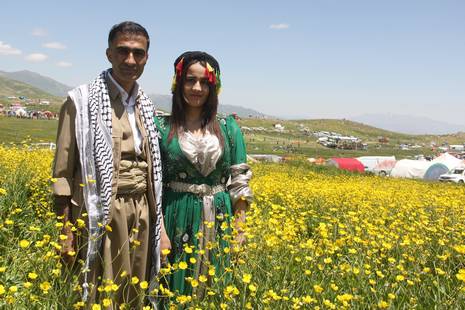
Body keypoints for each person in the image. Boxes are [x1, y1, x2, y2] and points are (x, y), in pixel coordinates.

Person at [52, 21, 170, 306]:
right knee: (100, 290)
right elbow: (62, 175)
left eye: (138, 53)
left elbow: (153, 174)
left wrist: (160, 230)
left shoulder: (146, 104)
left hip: (143, 212)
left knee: (135, 291)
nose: (130, 60)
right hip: (99, 212)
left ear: (146, 58)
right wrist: (65, 232)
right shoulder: (81, 101)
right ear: (109, 54)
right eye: (123, 51)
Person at [153, 51, 253, 299]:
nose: (196, 87)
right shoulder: (160, 127)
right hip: (174, 216)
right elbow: (153, 185)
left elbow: (239, 182)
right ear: (178, 83)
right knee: (172, 287)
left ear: (214, 87)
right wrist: (160, 233)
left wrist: (239, 230)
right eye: (189, 80)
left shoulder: (229, 129)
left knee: (214, 288)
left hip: (219, 219)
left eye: (204, 82)